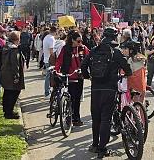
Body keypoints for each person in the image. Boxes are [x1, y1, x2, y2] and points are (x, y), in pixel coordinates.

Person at [81, 27, 132, 158]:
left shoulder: (94, 50)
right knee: (106, 119)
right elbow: (127, 68)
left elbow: (83, 65)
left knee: (96, 118)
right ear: (115, 37)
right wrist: (126, 73)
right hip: (110, 88)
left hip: (95, 88)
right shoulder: (116, 52)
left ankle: (94, 144)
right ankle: (102, 149)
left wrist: (87, 76)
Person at [55, 30, 89, 127]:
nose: (80, 43)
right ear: (72, 40)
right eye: (78, 41)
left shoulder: (83, 48)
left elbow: (90, 57)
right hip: (69, 77)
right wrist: (57, 71)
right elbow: (59, 60)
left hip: (79, 77)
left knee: (77, 99)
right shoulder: (65, 49)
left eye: (81, 41)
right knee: (72, 97)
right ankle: (69, 117)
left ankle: (76, 118)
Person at [0, 31, 25, 119]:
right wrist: (17, 76)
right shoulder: (14, 49)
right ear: (17, 39)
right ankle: (9, 112)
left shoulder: (6, 47)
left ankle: (6, 110)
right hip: (11, 74)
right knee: (14, 92)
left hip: (5, 72)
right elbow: (15, 64)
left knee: (7, 92)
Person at [42, 26, 57, 98]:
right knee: (49, 76)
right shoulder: (51, 39)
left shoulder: (46, 37)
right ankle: (47, 92)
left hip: (46, 58)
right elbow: (52, 51)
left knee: (49, 76)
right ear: (55, 31)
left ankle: (47, 91)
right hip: (49, 59)